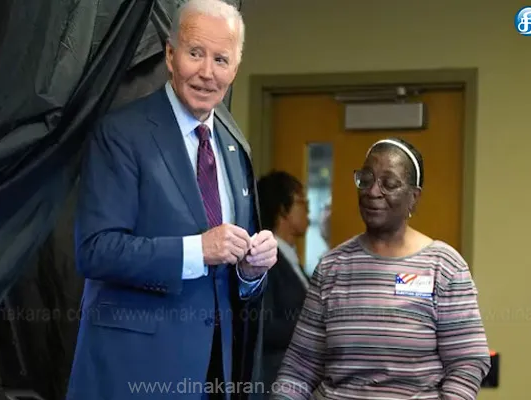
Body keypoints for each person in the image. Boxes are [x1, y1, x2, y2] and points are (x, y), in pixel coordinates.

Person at [67, 0, 278, 398]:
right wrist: (198, 250)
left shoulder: (235, 146)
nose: (207, 72)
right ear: (169, 54)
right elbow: (95, 251)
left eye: (221, 59)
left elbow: (231, 274)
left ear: (235, 68)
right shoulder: (120, 134)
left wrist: (251, 272)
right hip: (133, 373)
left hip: (216, 373)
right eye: (195, 53)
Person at [273, 138, 490, 399]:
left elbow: (467, 363)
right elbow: (300, 366)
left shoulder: (444, 267)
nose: (372, 191)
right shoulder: (333, 266)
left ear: (413, 197)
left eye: (389, 184)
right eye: (366, 179)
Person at [256, 171, 309, 397]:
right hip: (274, 381)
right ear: (282, 210)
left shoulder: (291, 258)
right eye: (301, 202)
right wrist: (315, 325)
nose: (308, 209)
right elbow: (264, 325)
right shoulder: (265, 258)